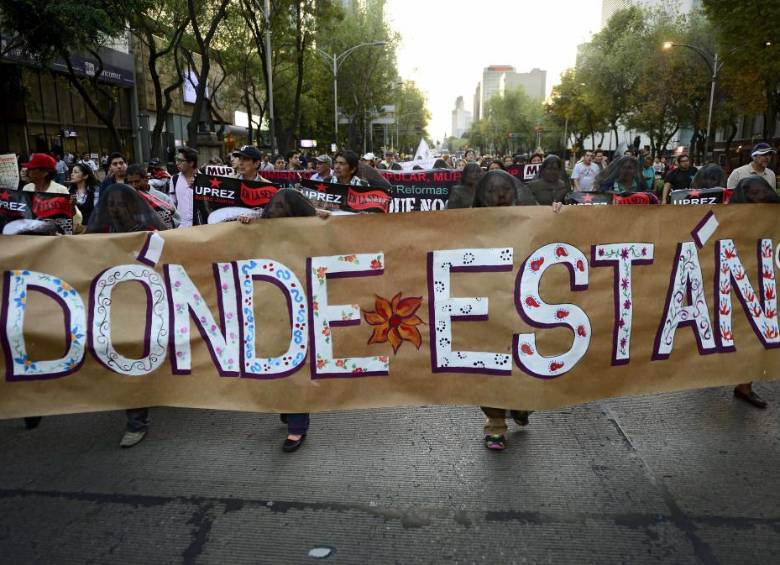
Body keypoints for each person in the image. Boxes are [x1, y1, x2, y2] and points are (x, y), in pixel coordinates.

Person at [86, 184, 168, 446]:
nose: (115, 209)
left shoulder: (152, 232)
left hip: (146, 306)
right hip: (112, 308)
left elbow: (162, 259)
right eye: (110, 205)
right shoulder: (98, 233)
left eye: (120, 204)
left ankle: (137, 421)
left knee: (135, 359)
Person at [238, 189, 319, 451]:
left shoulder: (313, 233)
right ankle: (288, 408)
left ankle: (297, 426)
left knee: (296, 365)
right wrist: (246, 227)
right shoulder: (262, 229)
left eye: (282, 210)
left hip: (302, 309)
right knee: (276, 360)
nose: (275, 215)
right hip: (270, 309)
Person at [469, 171, 536, 450]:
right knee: (486, 368)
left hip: (520, 305)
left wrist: (559, 216)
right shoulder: (459, 224)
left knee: (522, 365)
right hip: (482, 307)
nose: (499, 196)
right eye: (493, 190)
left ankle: (521, 405)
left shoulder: (533, 220)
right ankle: (495, 424)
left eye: (505, 190)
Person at [728, 176, 780, 408]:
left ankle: (744, 385)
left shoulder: (774, 217)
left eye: (763, 193)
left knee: (756, 334)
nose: (759, 198)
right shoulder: (727, 218)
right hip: (735, 283)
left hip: (763, 284)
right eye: (754, 194)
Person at [22, 153, 83, 232]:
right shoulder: (27, 189)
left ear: (45, 172)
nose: (27, 172)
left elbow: (77, 221)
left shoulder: (60, 190)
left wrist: (72, 208)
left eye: (31, 169)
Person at [125, 164, 180, 229]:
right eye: (130, 183)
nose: (134, 185)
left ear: (146, 179)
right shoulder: (125, 201)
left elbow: (178, 222)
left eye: (137, 181)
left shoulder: (163, 199)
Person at [171, 146, 198, 227]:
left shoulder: (203, 179)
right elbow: (172, 203)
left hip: (200, 226)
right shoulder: (174, 179)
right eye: (176, 159)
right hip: (181, 227)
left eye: (180, 160)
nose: (177, 163)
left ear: (191, 163)